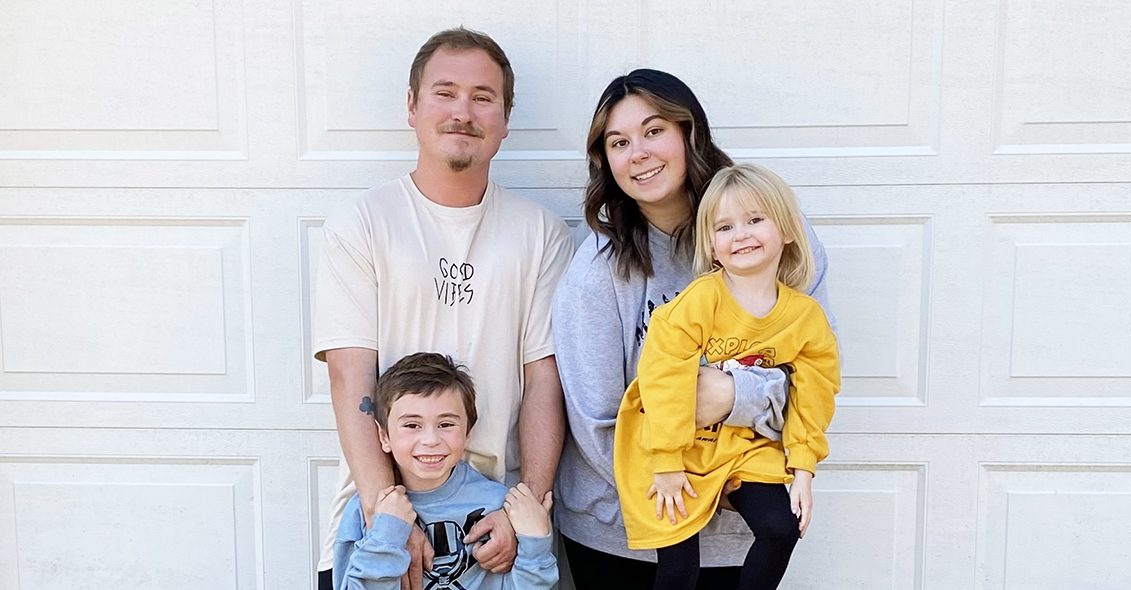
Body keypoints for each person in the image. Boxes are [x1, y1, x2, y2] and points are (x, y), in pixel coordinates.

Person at [552, 69, 839, 589]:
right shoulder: (596, 271)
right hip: (627, 529)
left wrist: (731, 395)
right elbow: (598, 421)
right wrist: (689, 480)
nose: (638, 152)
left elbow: (814, 377)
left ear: (690, 132)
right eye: (619, 142)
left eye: (654, 130)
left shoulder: (772, 235)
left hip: (741, 532)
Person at [314, 27, 575, 590]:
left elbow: (545, 382)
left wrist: (524, 508)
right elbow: (349, 376)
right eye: (445, 92)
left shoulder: (541, 234)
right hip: (376, 531)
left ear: (504, 120)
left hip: (491, 539)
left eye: (483, 97)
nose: (464, 111)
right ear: (411, 106)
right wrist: (388, 510)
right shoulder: (361, 225)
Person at [613, 163, 840, 590]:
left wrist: (804, 470)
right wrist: (665, 463)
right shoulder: (698, 302)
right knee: (680, 570)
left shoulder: (806, 319)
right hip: (675, 445)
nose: (741, 235)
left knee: (781, 527)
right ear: (712, 247)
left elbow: (816, 393)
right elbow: (662, 378)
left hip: (743, 447)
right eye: (725, 227)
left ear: (789, 230)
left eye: (755, 220)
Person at [333, 352, 558, 590]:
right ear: (384, 436)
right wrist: (387, 534)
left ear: (468, 433)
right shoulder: (364, 512)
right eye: (412, 425)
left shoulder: (498, 505)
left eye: (446, 424)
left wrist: (535, 545)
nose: (430, 439)